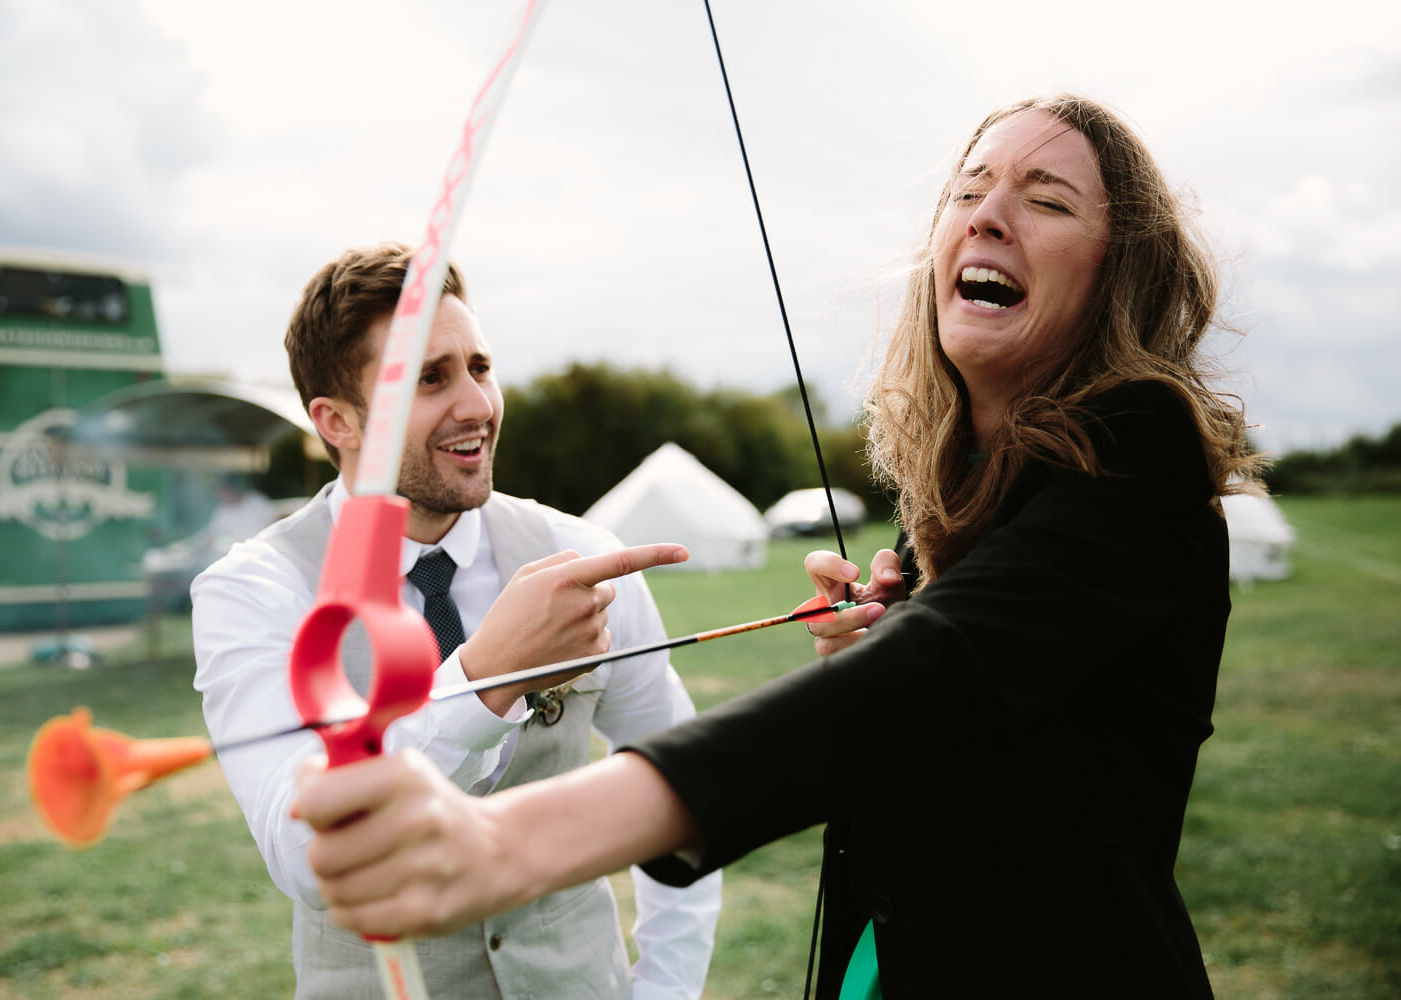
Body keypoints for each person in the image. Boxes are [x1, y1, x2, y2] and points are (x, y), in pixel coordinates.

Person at [288, 95, 1266, 998]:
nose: (988, 214)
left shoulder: (1141, 447)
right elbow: (956, 701)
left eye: (1046, 199)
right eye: (967, 190)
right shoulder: (968, 481)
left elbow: (945, 669)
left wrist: (506, 843)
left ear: (1117, 268)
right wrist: (881, 642)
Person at [191, 243, 721, 1000]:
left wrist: (666, 990)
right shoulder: (253, 589)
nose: (478, 404)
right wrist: (482, 681)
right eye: (429, 379)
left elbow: (684, 788)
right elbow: (304, 853)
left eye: (478, 366)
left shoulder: (583, 557)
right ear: (336, 421)